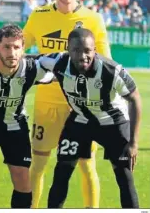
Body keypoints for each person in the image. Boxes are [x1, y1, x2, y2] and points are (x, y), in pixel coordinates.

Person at [23, 0, 111, 208]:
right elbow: (20, 45)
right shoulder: (39, 15)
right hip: (46, 103)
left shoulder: (93, 19)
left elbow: (106, 62)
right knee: (38, 163)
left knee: (86, 164)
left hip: (82, 107)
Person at [38, 28, 141, 208]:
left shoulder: (111, 70)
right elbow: (26, 61)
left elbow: (135, 99)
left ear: (95, 50)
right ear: (68, 50)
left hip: (113, 123)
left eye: (87, 50)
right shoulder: (57, 61)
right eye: (76, 50)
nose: (82, 55)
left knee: (124, 177)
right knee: (61, 172)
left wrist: (133, 143)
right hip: (80, 121)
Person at [0, 25, 53, 208]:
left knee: (22, 178)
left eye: (16, 47)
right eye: (6, 47)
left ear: (23, 49)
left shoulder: (31, 68)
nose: (11, 52)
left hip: (14, 126)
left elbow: (63, 68)